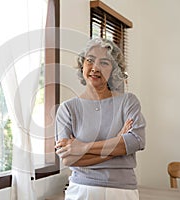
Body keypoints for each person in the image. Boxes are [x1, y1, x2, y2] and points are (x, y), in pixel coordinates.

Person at [55, 38, 146, 200]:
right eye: (90, 60)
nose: (95, 67)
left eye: (104, 63)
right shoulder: (67, 109)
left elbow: (136, 141)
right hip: (81, 190)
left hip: (122, 191)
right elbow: (68, 158)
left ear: (114, 70)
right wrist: (117, 142)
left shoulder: (128, 101)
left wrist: (82, 147)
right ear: (82, 64)